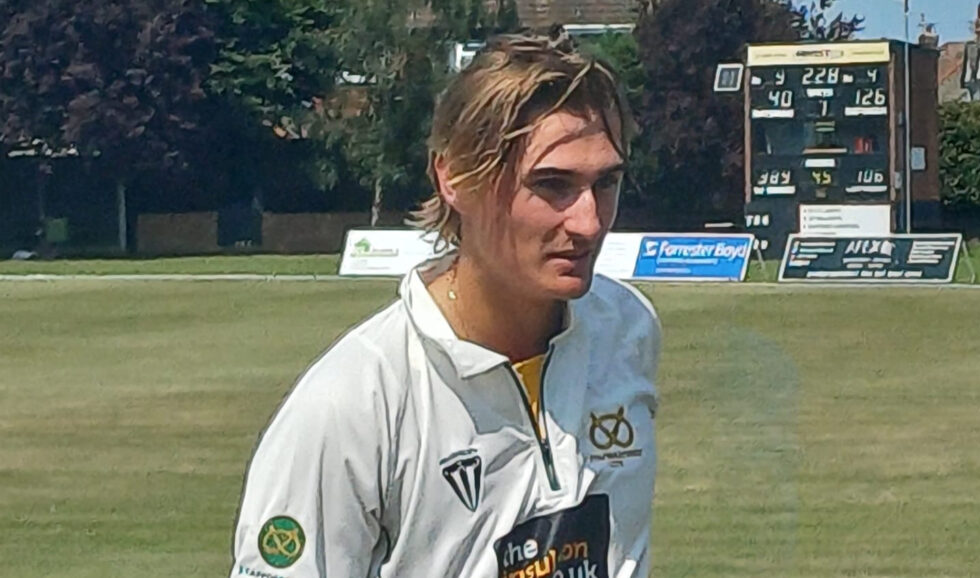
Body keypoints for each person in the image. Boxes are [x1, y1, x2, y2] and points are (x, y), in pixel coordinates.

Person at [230, 30, 662, 578]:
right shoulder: (353, 402)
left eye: (606, 183)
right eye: (552, 185)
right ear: (455, 175)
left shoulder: (627, 329)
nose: (589, 222)